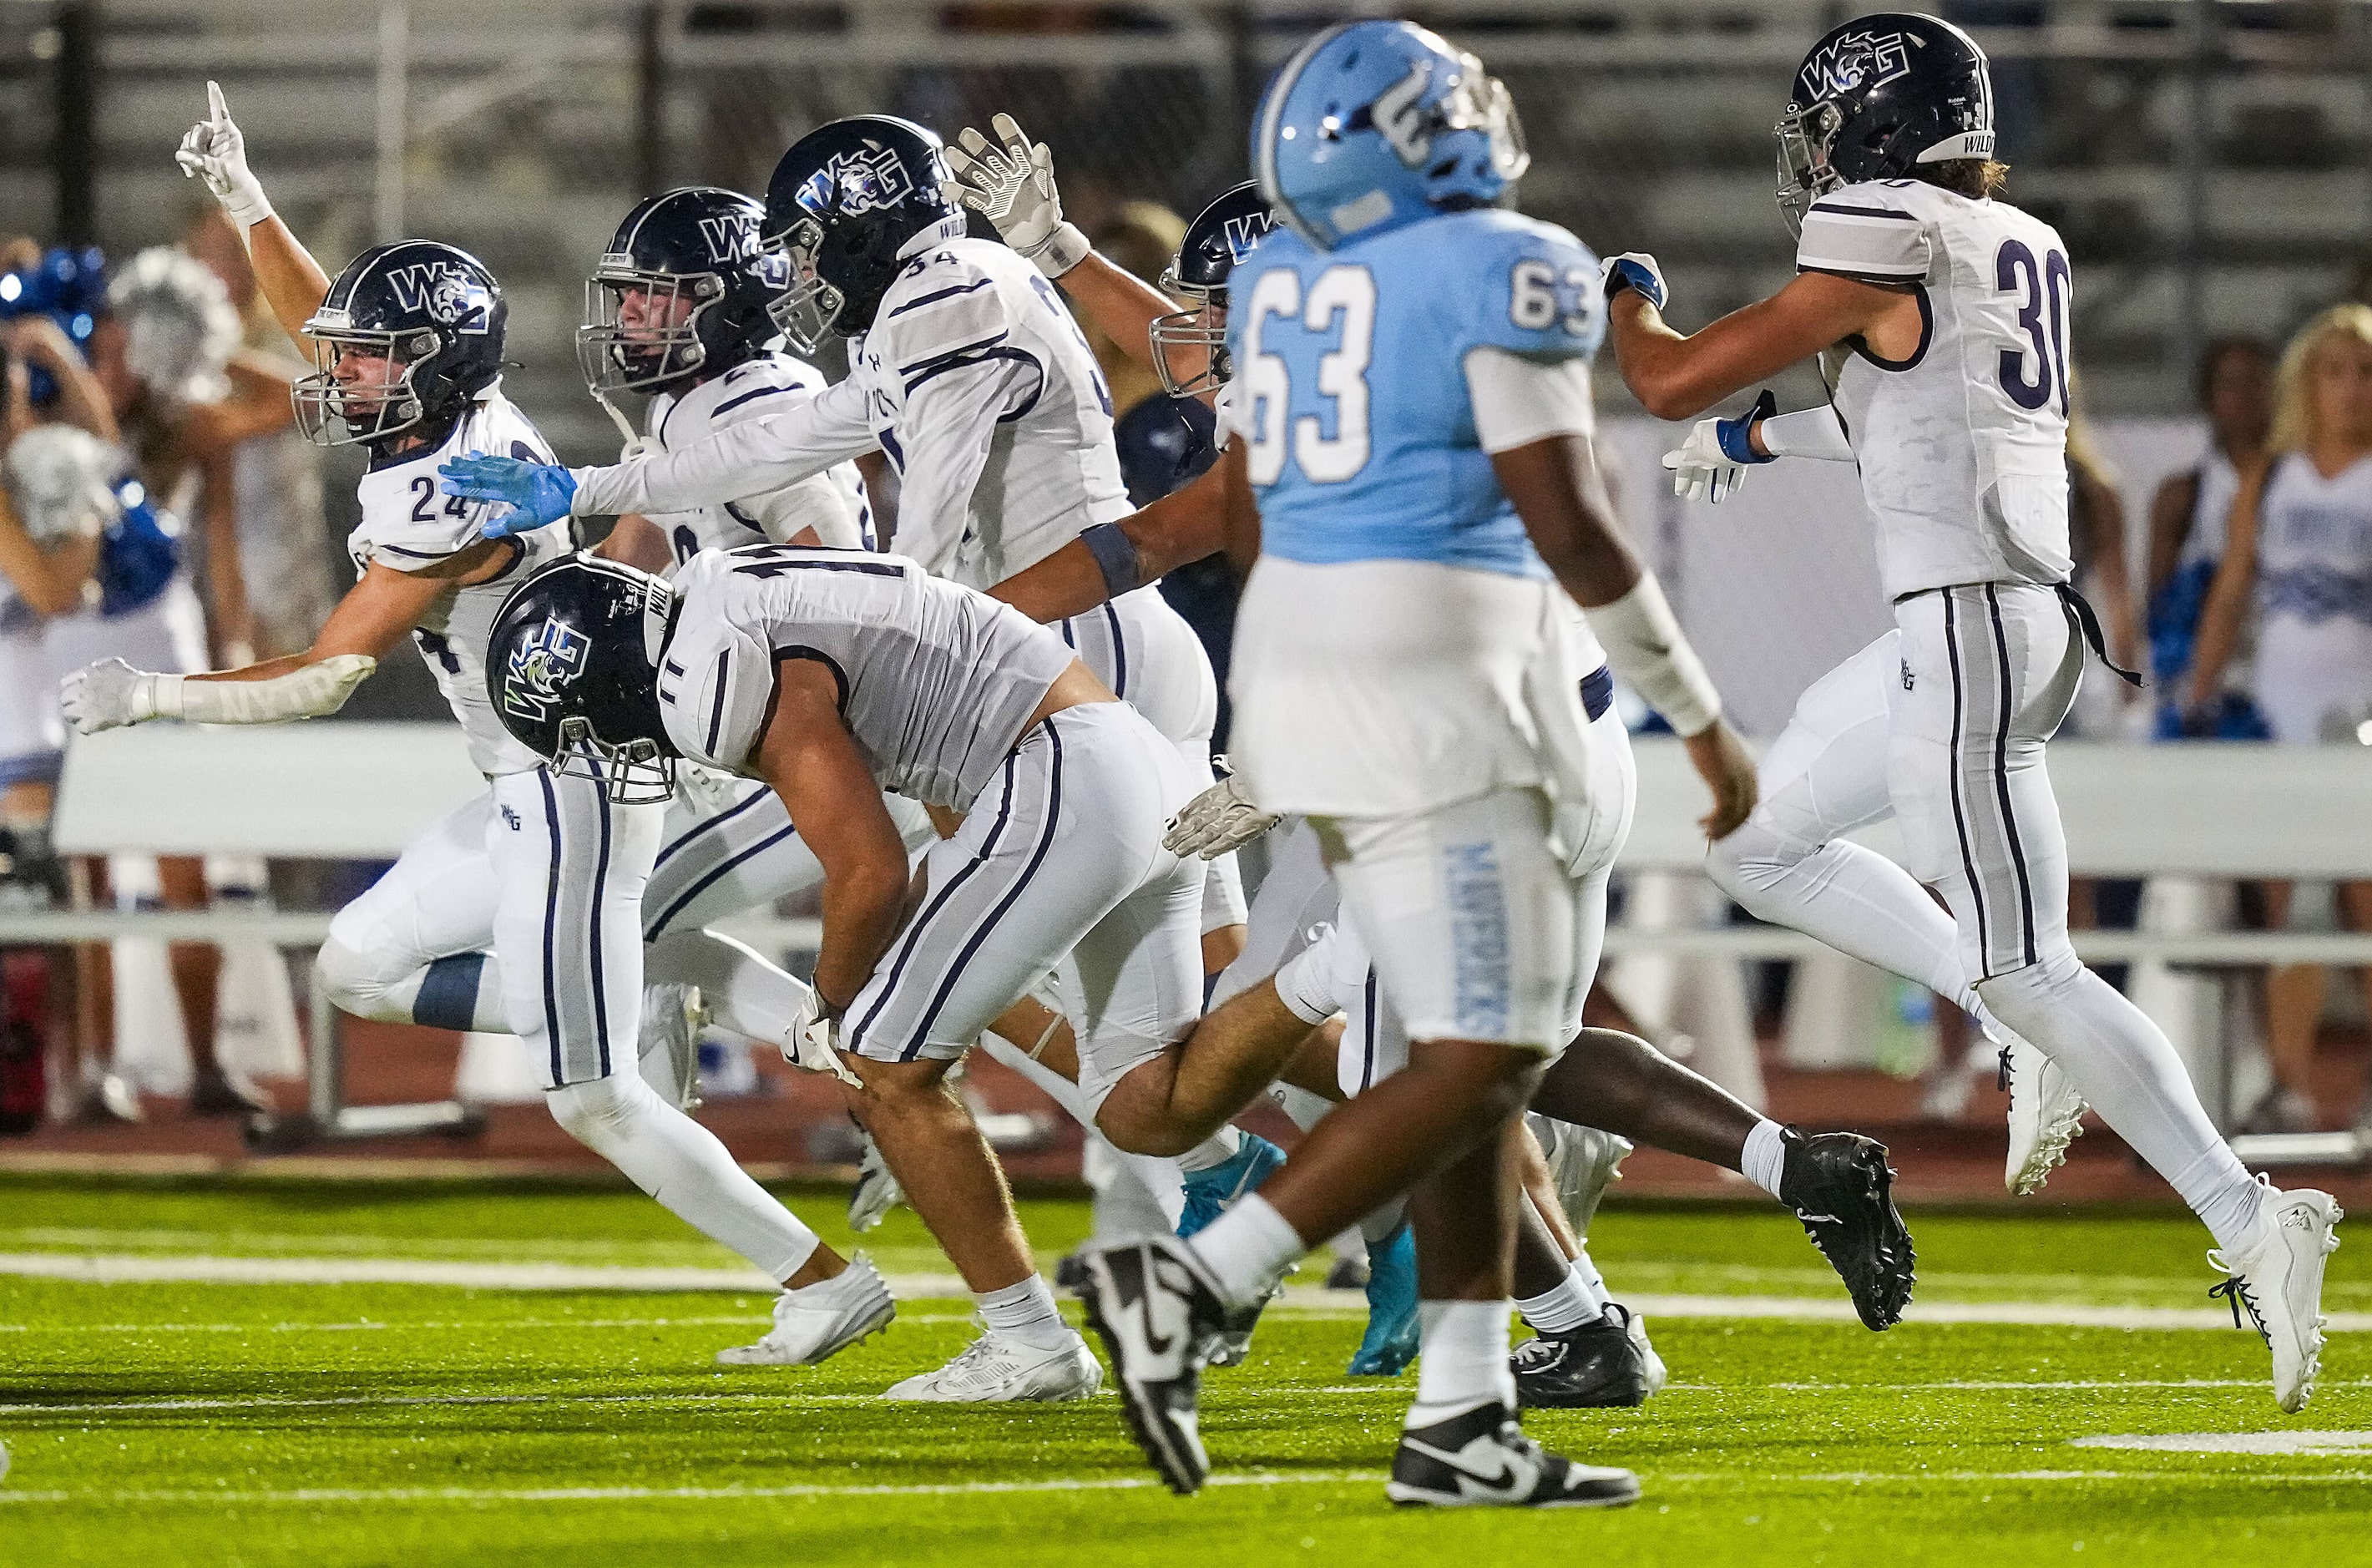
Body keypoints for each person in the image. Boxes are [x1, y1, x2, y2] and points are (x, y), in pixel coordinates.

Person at [60, 83, 888, 1369]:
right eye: (353, 354)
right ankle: (660, 994)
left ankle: (820, 1277)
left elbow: (325, 673)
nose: (343, 374)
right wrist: (251, 202)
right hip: (523, 780)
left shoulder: (453, 486)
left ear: (434, 365)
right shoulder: (447, 415)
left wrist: (152, 698)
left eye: (373, 359)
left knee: (591, 1093)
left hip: (574, 786)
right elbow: (325, 318)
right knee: (357, 963)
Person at [1066, 20, 1758, 1509]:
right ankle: (1194, 1287)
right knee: (1485, 1053)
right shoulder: (1506, 260)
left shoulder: (1299, 285)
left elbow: (1244, 521)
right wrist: (1695, 710)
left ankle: (1460, 1413)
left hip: (1316, 673)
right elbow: (1568, 521)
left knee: (1472, 1049)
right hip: (1444, 671)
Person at [1628, 13, 2338, 1414]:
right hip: (1990, 627)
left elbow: (1661, 372)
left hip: (1966, 633)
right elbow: (1903, 410)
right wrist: (1752, 435)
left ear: (1881, 129)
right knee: (1753, 841)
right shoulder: (2010, 243)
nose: (1821, 159)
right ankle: (2012, 1024)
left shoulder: (1887, 229)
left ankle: (2249, 1210)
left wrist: (1613, 300)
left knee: (2033, 966)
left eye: (1835, 130)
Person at [2187, 306, 2372, 1135]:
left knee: (2364, 905)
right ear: (2309, 383)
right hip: (2279, 712)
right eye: (2335, 372)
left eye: (2365, 373)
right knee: (2283, 907)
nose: (2351, 390)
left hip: (2362, 719)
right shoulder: (2274, 476)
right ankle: (2290, 1083)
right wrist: (2196, 688)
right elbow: (2233, 590)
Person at [2148, 336, 2273, 738]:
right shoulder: (2184, 495)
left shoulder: (2293, 484)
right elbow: (2158, 603)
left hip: (2274, 664)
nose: (2243, 397)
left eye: (2255, 383)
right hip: (2209, 677)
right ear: (2208, 398)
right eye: (2229, 385)